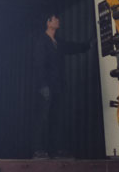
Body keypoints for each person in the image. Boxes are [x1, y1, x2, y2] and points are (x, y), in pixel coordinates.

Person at [32, 12, 91, 158]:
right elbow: (39, 65)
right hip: (46, 86)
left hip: (58, 86)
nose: (58, 20)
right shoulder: (41, 41)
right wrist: (43, 85)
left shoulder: (58, 42)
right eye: (55, 19)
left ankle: (55, 149)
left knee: (56, 118)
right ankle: (39, 149)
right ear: (48, 22)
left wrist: (87, 45)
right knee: (43, 117)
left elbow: (71, 47)